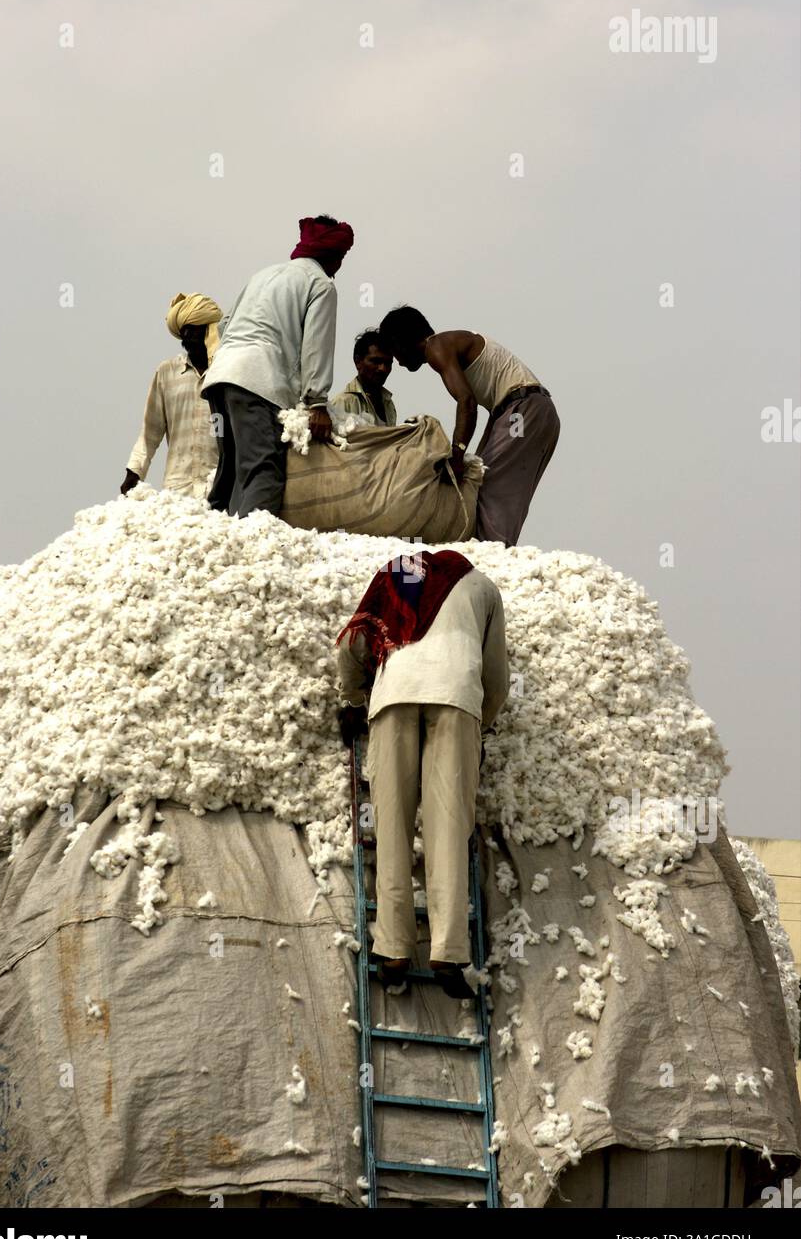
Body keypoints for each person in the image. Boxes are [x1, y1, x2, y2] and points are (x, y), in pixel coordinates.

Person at [336, 550, 509, 997]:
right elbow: (497, 677)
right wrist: (481, 727)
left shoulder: (396, 576)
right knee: (448, 828)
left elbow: (354, 646)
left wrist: (355, 699)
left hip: (394, 696)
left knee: (392, 824)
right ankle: (449, 953)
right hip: (457, 702)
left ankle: (393, 948)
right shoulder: (482, 587)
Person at [201, 214, 354, 517]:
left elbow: (226, 324)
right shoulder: (321, 285)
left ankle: (216, 538)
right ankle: (252, 552)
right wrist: (317, 402)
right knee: (264, 470)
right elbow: (316, 345)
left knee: (230, 472)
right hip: (256, 380)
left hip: (221, 376)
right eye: (342, 257)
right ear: (333, 255)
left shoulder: (264, 275)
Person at [378, 306, 560, 547]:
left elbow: (466, 401)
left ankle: (494, 556)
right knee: (486, 479)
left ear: (402, 342)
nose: (399, 363)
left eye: (395, 353)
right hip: (532, 411)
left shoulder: (436, 346)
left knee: (489, 488)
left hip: (522, 411)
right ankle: (496, 551)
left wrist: (457, 452)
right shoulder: (451, 342)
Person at [121, 292, 223, 499]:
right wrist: (134, 472)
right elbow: (150, 432)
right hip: (177, 491)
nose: (187, 337)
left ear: (210, 331)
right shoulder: (167, 373)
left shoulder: (226, 374)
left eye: (194, 330)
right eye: (184, 331)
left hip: (219, 487)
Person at [330, 330, 396, 426]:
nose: (382, 368)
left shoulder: (388, 404)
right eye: (376, 361)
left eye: (388, 363)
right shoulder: (344, 403)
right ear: (358, 362)